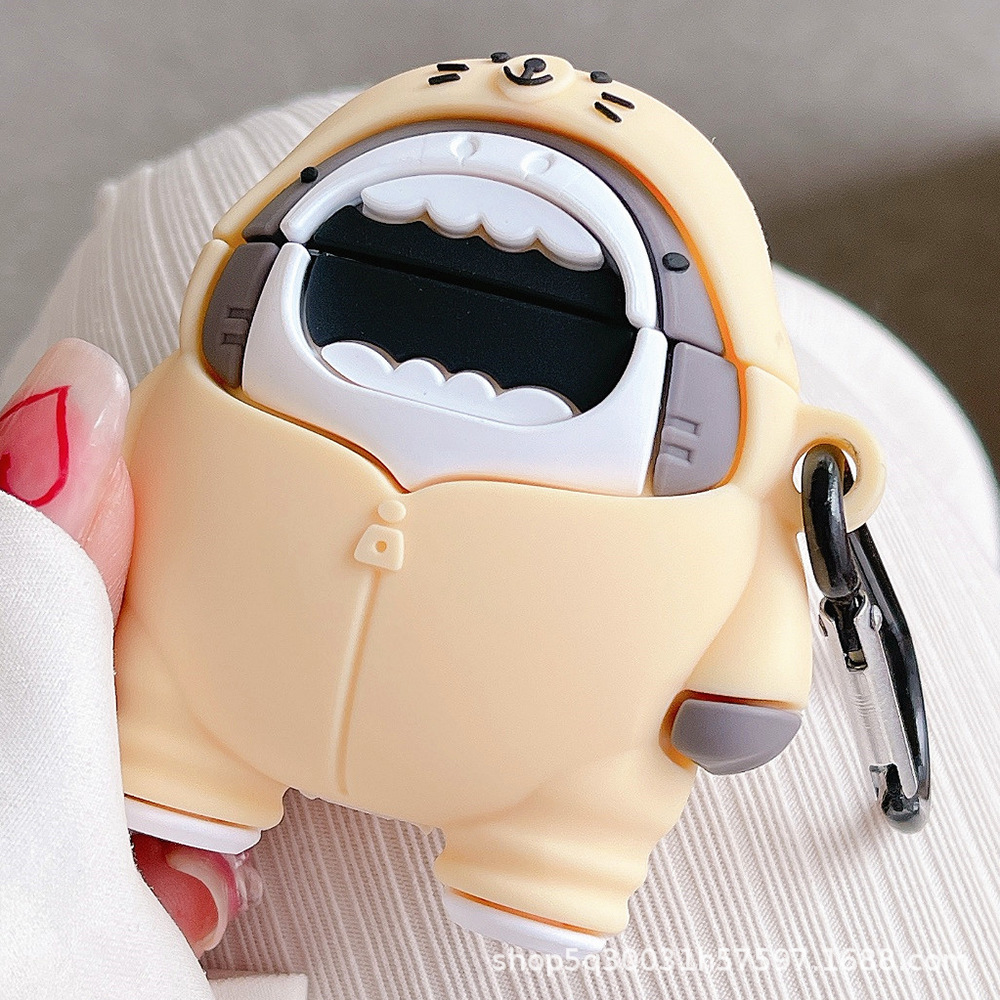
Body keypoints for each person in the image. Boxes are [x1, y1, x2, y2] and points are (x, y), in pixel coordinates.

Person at [2, 88, 1000, 1000]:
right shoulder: (204, 391)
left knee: (571, 824)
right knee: (167, 731)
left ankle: (546, 866)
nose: (520, 90)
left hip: (536, 746)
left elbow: (752, 578)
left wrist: (750, 678)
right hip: (214, 665)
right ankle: (188, 767)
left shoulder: (721, 506)